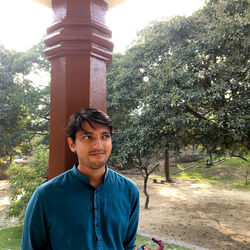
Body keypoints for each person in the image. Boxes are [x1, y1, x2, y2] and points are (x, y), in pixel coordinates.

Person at [21, 108, 140, 250]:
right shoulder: (45, 196)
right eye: (88, 137)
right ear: (72, 144)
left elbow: (128, 245)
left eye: (105, 136)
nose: (99, 145)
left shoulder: (129, 191)